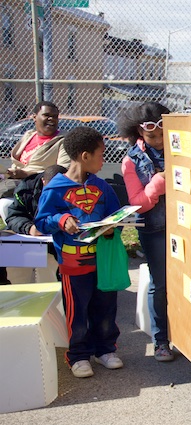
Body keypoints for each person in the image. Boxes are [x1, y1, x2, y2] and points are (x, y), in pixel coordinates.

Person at [35, 127, 123, 378]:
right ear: (85, 156)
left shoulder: (103, 187)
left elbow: (116, 215)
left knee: (106, 307)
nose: (103, 160)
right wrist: (61, 219)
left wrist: (111, 228)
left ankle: (105, 349)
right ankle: (78, 355)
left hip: (103, 261)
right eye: (100, 154)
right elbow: (42, 221)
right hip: (74, 265)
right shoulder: (55, 188)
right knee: (78, 312)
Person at [118, 101, 174, 362]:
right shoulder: (131, 160)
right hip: (155, 229)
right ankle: (160, 341)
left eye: (163, 133)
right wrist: (159, 182)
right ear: (140, 133)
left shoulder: (180, 146)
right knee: (160, 284)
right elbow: (137, 203)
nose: (160, 140)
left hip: (187, 226)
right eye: (152, 135)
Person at [0, 101, 70, 222]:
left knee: (5, 200)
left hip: (37, 185)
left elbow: (63, 169)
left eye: (55, 116)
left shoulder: (64, 140)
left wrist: (26, 174)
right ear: (34, 117)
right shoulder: (28, 135)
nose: (51, 119)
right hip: (14, 181)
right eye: (47, 115)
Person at [4, 164, 67, 284]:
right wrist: (29, 228)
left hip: (57, 243)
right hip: (28, 239)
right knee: (17, 270)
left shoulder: (74, 189)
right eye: (52, 188)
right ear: (43, 182)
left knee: (49, 272)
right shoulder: (27, 189)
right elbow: (14, 216)